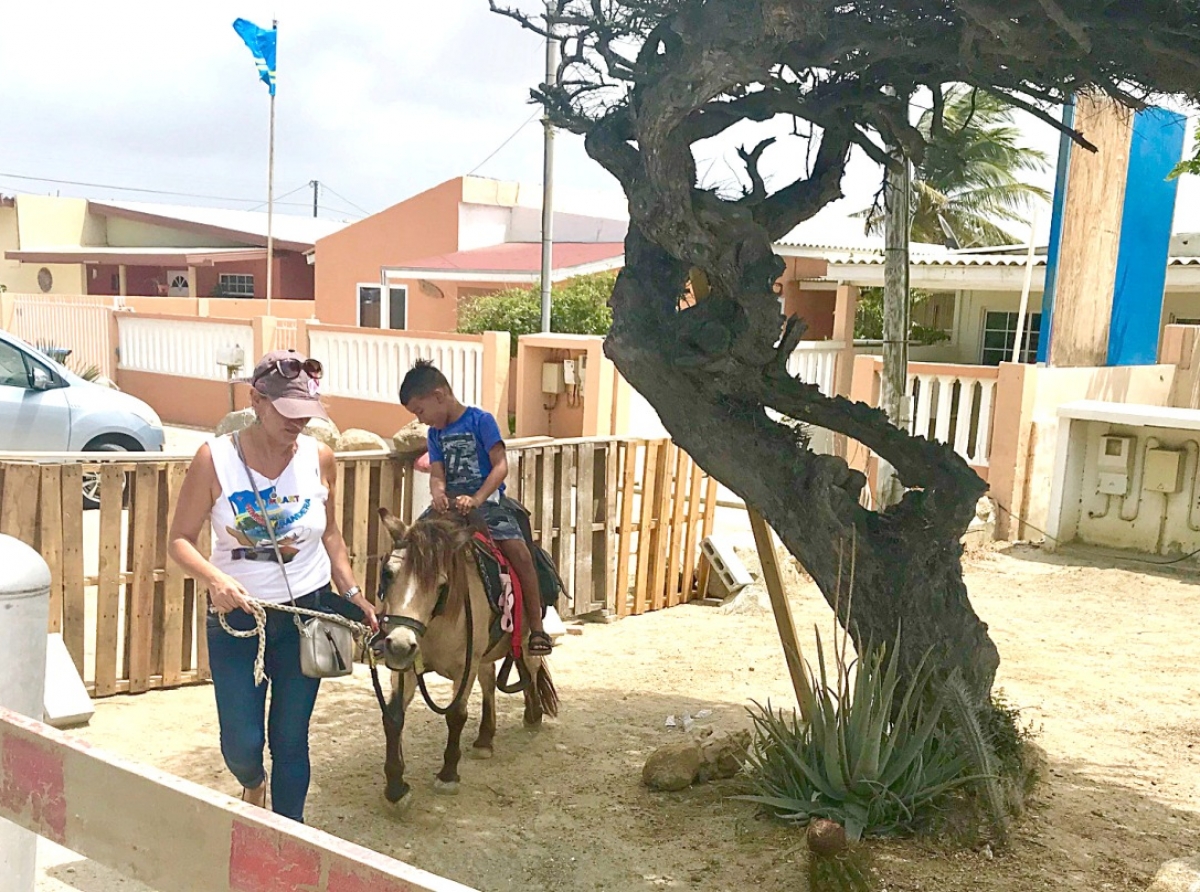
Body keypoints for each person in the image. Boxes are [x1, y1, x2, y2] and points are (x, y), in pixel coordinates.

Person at [167, 349, 377, 822]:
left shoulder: (320, 458)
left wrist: (351, 594)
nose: (298, 423)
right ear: (256, 400)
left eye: (307, 413)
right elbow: (178, 540)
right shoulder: (214, 459)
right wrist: (215, 579)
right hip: (239, 620)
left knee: (291, 738)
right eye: (288, 411)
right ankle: (252, 782)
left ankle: (289, 838)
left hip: (306, 614)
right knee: (242, 743)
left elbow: (330, 534)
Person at [399, 359, 553, 656]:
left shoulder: (481, 420)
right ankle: (392, 621)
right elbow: (437, 473)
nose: (421, 419)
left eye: (420, 411)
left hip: (488, 504)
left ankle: (536, 628)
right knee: (408, 546)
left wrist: (478, 498)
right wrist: (439, 493)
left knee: (520, 553)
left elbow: (500, 466)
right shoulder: (435, 435)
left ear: (439, 395)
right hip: (451, 508)